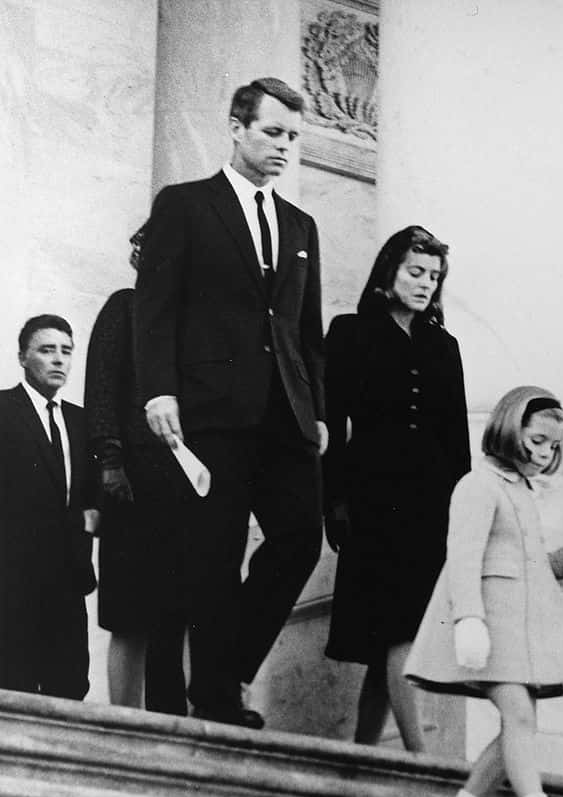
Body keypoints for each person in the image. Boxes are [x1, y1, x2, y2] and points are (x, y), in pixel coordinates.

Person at [132, 77, 326, 728]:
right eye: (273, 132)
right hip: (210, 410)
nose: (283, 147)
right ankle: (215, 695)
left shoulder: (301, 225)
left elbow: (307, 332)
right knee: (214, 555)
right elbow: (154, 310)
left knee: (300, 536)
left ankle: (225, 667)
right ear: (236, 128)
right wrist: (158, 390)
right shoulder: (185, 206)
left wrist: (318, 411)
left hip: (284, 417)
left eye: (294, 137)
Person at [405, 386, 563, 797]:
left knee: (520, 723)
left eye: (552, 445)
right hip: (490, 627)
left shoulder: (520, 492)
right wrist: (469, 619)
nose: (544, 453)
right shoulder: (478, 484)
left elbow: (528, 562)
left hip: (520, 631)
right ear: (510, 428)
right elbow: (464, 556)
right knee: (520, 718)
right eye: (536, 440)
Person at [322, 226, 470, 751]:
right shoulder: (349, 332)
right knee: (395, 629)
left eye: (434, 276)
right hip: (372, 497)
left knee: (401, 629)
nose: (426, 283)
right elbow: (329, 423)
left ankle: (364, 752)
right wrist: (334, 500)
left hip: (431, 504)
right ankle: (417, 753)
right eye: (415, 272)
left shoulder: (443, 345)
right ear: (388, 274)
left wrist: (464, 513)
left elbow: (457, 439)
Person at [84, 227, 191, 714]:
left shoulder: (190, 321)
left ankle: (169, 722)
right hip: (130, 483)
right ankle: (123, 724)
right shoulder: (122, 307)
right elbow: (101, 391)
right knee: (129, 615)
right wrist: (110, 462)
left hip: (182, 489)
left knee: (174, 613)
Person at [0, 315, 96, 699]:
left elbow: (89, 492)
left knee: (70, 684)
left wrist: (91, 519)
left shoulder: (82, 419)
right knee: (14, 681)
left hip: (68, 575)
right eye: (46, 350)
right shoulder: (4, 409)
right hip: (12, 576)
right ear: (23, 356)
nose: (59, 360)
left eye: (66, 351)